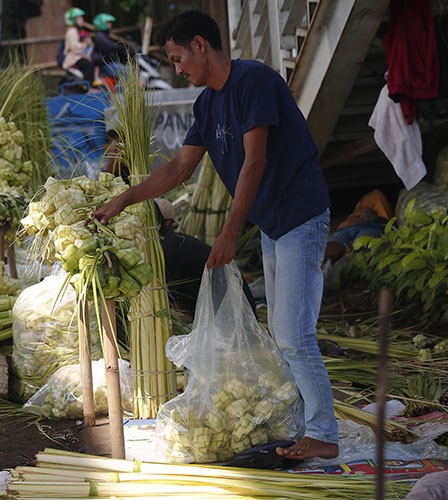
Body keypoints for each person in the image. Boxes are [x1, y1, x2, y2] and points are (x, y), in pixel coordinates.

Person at [93, 10, 339, 460]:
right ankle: (301, 421)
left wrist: (228, 234)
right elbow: (180, 168)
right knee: (284, 333)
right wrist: (125, 199)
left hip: (301, 215)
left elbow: (255, 161)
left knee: (294, 334)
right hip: (273, 224)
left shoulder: (254, 82)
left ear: (201, 45)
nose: (177, 68)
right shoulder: (207, 104)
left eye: (177, 57)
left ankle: (323, 433)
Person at [91, 13, 135, 79]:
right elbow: (112, 46)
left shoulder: (103, 35)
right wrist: (126, 49)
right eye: (108, 23)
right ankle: (122, 89)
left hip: (109, 62)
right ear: (102, 23)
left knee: (128, 68)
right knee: (127, 71)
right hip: (105, 64)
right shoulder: (100, 37)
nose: (110, 25)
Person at [61, 8, 96, 85]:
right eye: (79, 18)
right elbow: (75, 48)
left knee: (92, 61)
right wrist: (85, 44)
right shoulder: (72, 31)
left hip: (76, 57)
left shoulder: (77, 30)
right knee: (88, 65)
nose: (82, 20)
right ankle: (89, 87)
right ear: (73, 20)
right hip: (72, 59)